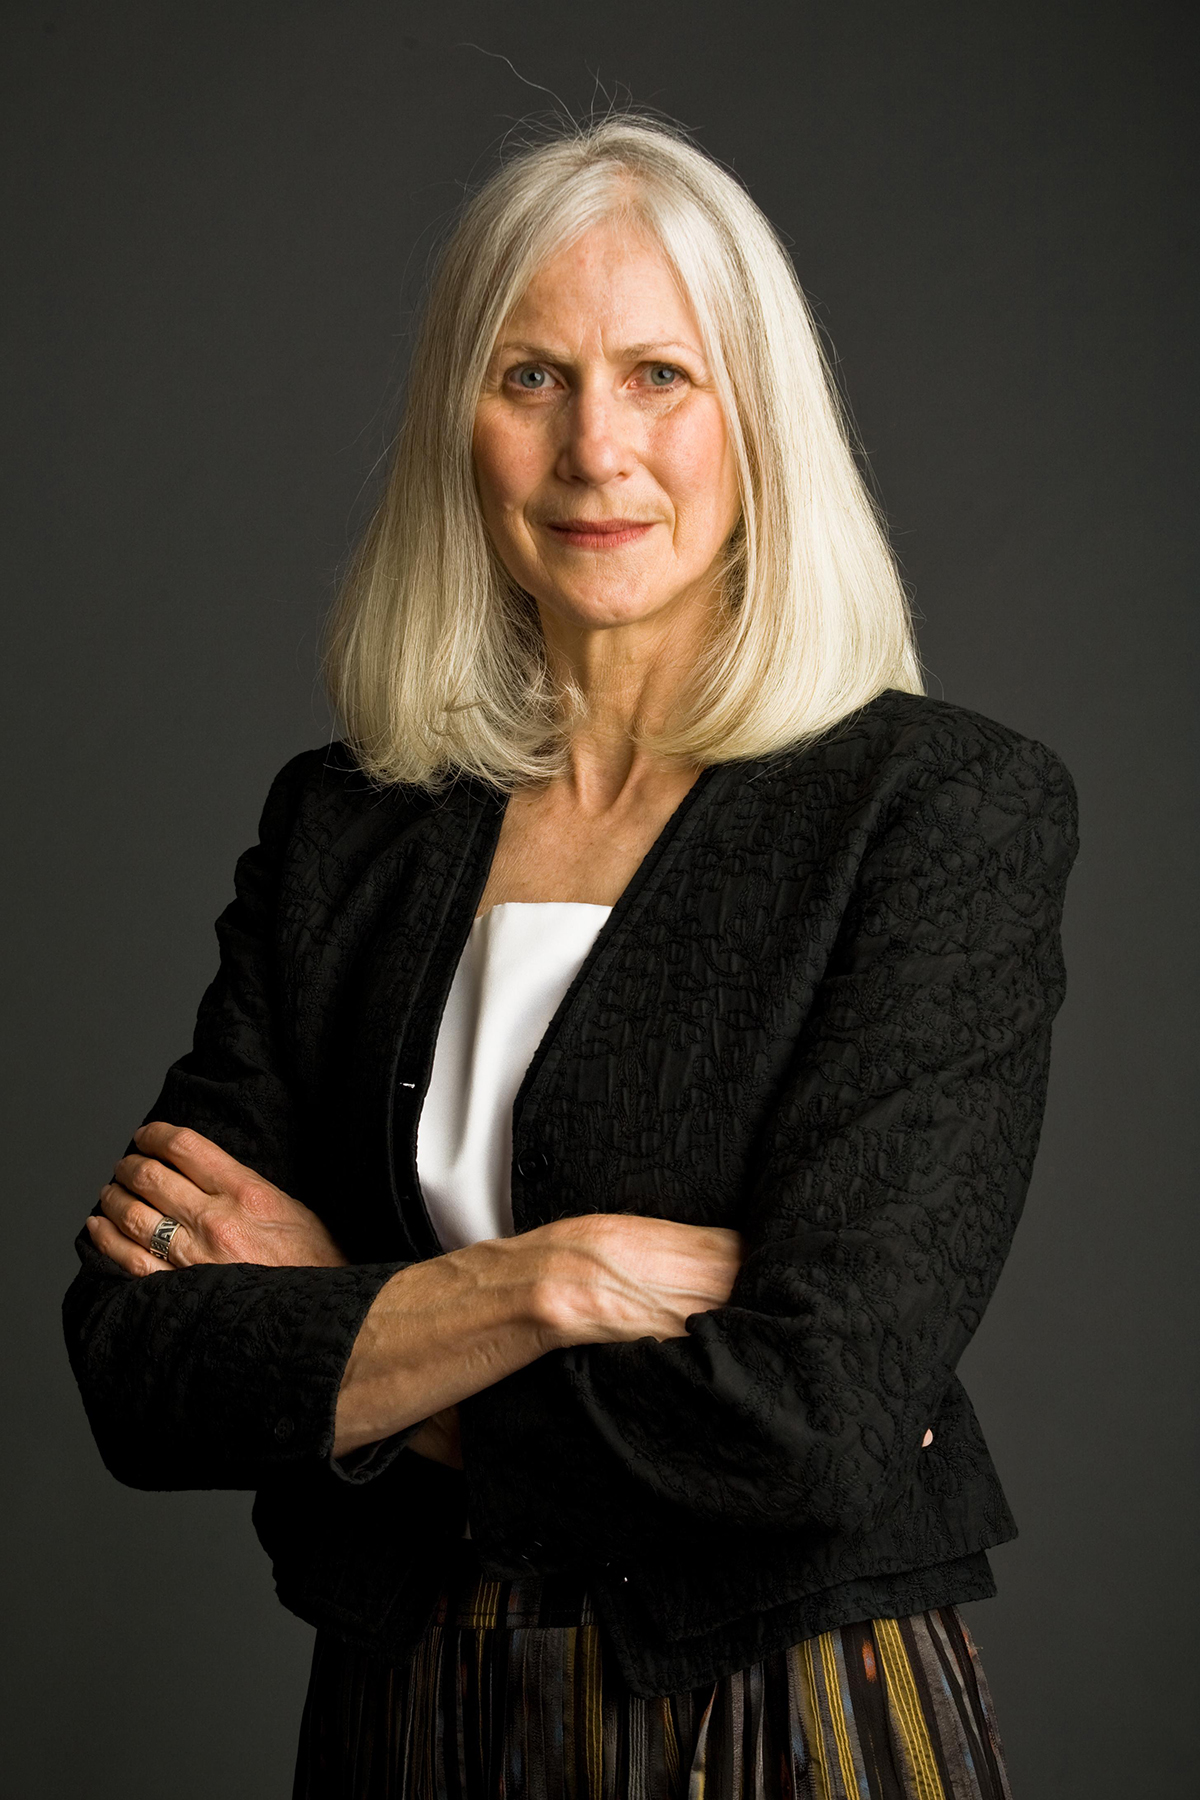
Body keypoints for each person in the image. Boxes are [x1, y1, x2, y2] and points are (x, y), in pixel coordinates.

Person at [63, 115, 1077, 1798]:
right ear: (457, 425)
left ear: (762, 418)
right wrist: (545, 1281)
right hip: (405, 1711)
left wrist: (355, 1340)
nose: (596, 448)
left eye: (662, 374)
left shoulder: (936, 814)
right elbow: (141, 1364)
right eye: (532, 377)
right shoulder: (349, 826)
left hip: (784, 1706)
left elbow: (814, 1423)